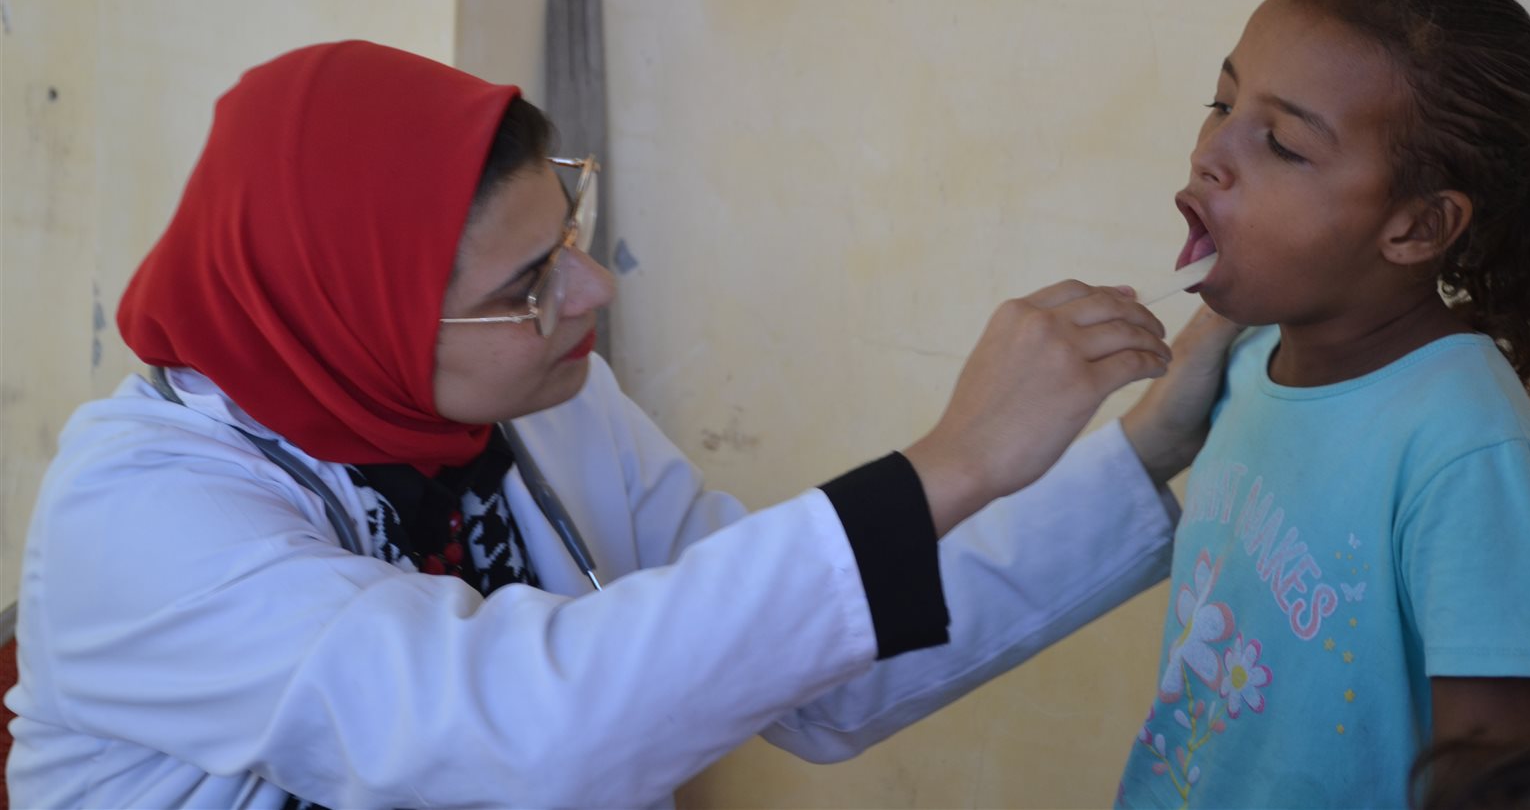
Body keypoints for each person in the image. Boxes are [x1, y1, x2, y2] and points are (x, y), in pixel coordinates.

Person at [4, 40, 1239, 809]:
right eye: (526, 284)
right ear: (352, 319)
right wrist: (949, 462)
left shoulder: (538, 397)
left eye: (568, 238)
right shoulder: (143, 519)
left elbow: (806, 664)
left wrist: (1148, 444)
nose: (592, 291)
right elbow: (519, 739)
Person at [1113, 0, 1530, 809]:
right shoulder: (1248, 363)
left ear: (1416, 227)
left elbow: (1495, 784)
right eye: (1221, 103)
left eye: (1282, 143)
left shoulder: (1466, 448)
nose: (1212, 153)